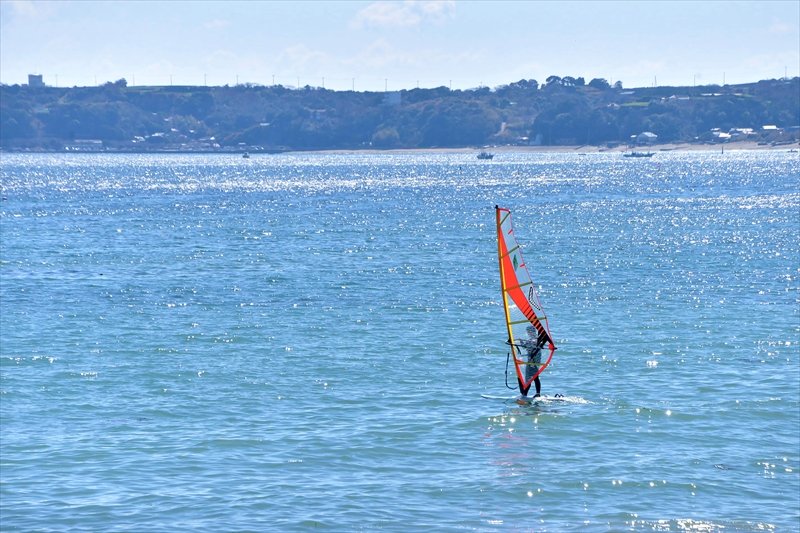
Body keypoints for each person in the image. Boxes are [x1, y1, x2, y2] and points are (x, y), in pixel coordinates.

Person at [519, 325, 543, 398]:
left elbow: (524, 346)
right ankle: (537, 393)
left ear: (531, 332)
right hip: (536, 362)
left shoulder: (532, 341)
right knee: (535, 377)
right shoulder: (538, 340)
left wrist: (520, 341)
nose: (528, 333)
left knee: (529, 378)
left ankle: (525, 394)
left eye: (528, 332)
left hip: (531, 362)